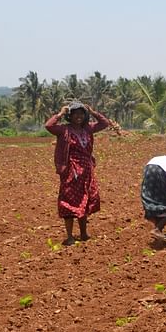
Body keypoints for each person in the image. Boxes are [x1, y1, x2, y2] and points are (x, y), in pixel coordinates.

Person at [45, 101, 119, 245]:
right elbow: (49, 126)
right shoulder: (64, 130)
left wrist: (92, 112)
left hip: (86, 172)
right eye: (75, 114)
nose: (78, 116)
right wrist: (60, 114)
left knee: (84, 201)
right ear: (70, 116)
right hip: (71, 173)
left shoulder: (88, 129)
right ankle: (70, 236)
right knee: (69, 202)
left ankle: (84, 233)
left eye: (81, 113)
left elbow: (104, 123)